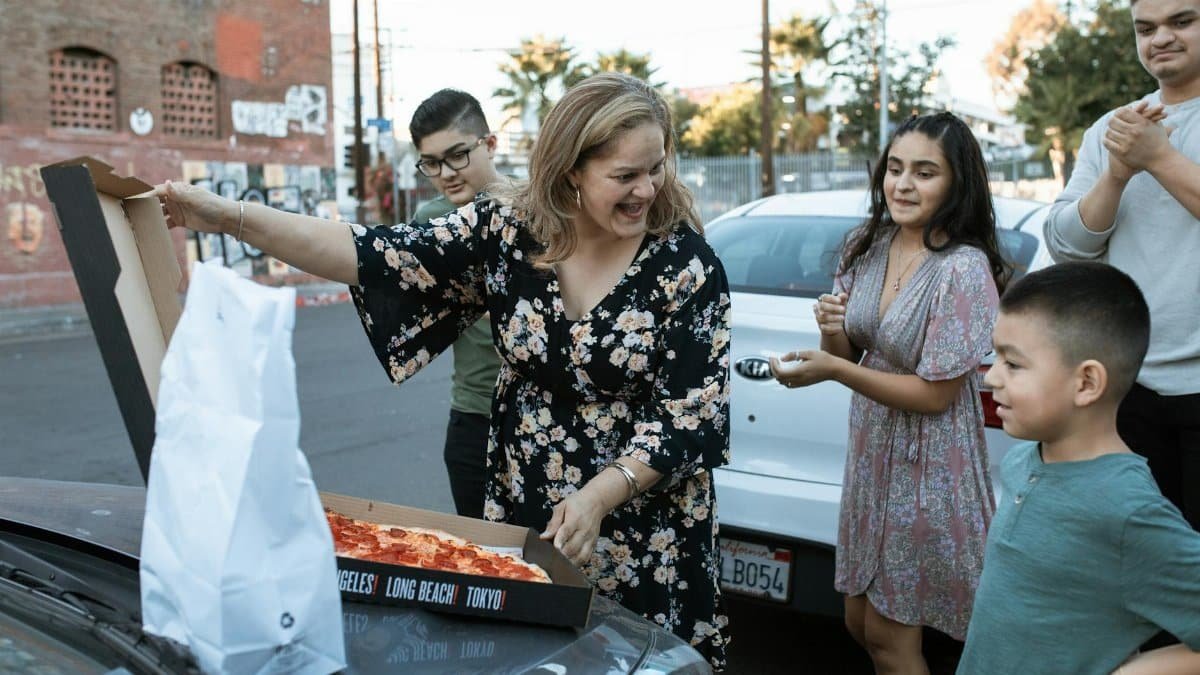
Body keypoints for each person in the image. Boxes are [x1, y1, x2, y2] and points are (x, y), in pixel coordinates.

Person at [155, 72, 732, 668]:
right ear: (570, 172)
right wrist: (228, 217)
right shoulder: (507, 228)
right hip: (529, 505)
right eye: (625, 175)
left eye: (655, 168)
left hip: (647, 530)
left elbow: (688, 417)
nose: (647, 189)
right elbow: (371, 252)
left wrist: (597, 497)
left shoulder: (687, 267)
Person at [772, 112, 1007, 673]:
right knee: (859, 622)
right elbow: (847, 351)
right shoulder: (867, 244)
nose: (902, 184)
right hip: (872, 455)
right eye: (895, 168)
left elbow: (935, 396)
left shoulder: (963, 269)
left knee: (890, 637)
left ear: (957, 184)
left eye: (924, 172)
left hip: (930, 464)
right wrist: (832, 329)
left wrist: (834, 369)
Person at [958, 261, 1200, 674]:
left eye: (1013, 364)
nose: (991, 378)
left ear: (1086, 383)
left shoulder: (1127, 511)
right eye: (995, 357)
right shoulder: (1022, 459)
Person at [1044, 0, 1200, 531]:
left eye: (1182, 21)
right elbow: (1066, 246)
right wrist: (1115, 175)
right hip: (1128, 387)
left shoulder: (1144, 138)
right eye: (1146, 28)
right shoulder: (1113, 129)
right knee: (1134, 558)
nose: (1161, 38)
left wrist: (1159, 158)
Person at [407, 89, 504, 520]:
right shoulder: (431, 223)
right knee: (480, 556)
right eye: (431, 163)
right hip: (473, 417)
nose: (445, 173)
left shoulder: (539, 209)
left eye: (457, 155)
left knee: (549, 557)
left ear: (490, 143)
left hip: (546, 421)